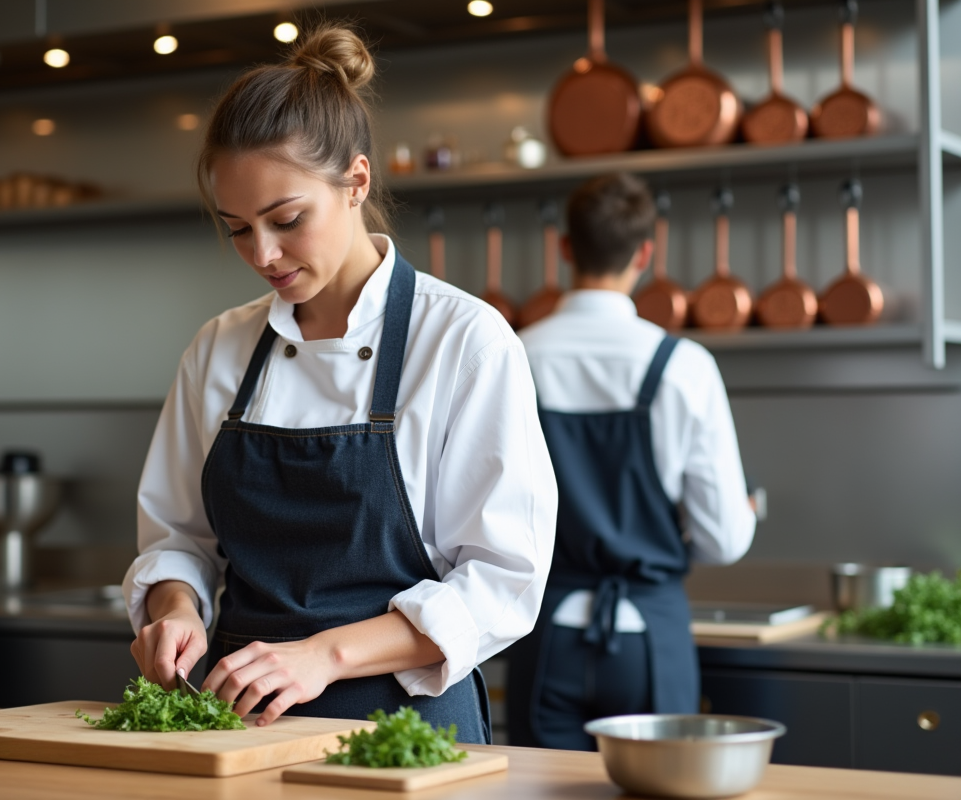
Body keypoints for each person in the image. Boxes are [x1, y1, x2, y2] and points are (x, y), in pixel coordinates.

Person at [122, 26, 557, 742]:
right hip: (235, 724)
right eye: (236, 229)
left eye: (286, 220)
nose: (262, 254)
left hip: (404, 730)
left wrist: (323, 655)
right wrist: (174, 609)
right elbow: (178, 540)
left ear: (356, 182)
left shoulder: (462, 342)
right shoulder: (218, 348)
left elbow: (503, 581)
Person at [508, 173, 756, 750]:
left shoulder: (513, 354)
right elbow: (725, 541)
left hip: (546, 636)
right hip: (651, 638)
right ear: (646, 253)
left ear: (565, 247)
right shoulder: (683, 365)